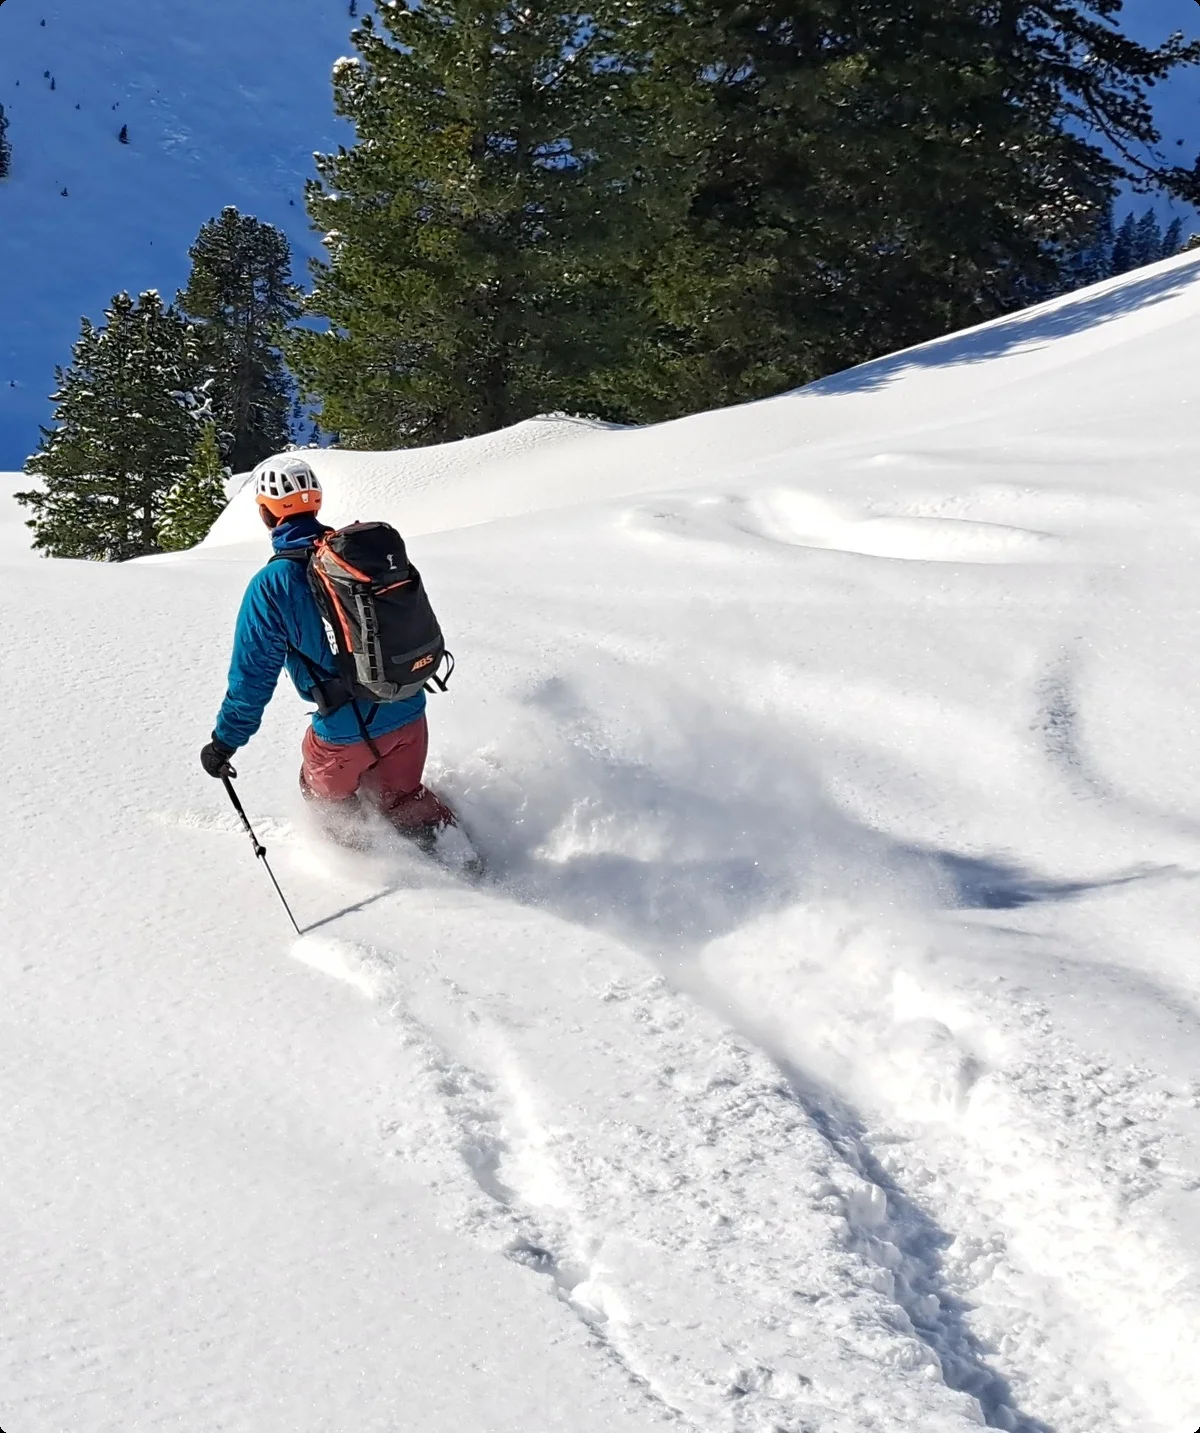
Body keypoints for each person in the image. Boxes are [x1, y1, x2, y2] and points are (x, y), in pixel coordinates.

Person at [200, 455, 453, 843]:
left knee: (324, 799)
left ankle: (368, 870)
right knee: (404, 800)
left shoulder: (272, 584)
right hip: (409, 712)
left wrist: (224, 743)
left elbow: (252, 678)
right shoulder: (357, 558)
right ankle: (469, 857)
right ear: (314, 503)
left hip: (342, 735)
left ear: (267, 515)